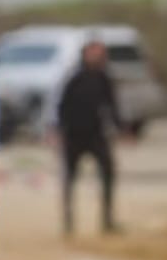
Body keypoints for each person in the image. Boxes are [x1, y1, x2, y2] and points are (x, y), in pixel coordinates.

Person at [51, 39, 125, 236]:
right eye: (93, 52)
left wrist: (121, 129)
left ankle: (107, 220)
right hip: (73, 135)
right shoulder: (74, 78)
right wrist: (57, 131)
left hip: (96, 134)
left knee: (108, 173)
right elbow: (61, 106)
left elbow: (112, 106)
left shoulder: (104, 78)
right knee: (69, 178)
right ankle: (68, 222)